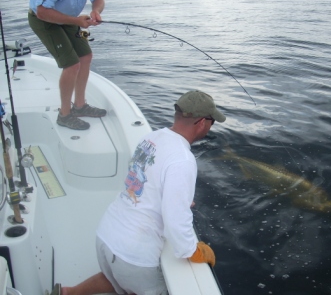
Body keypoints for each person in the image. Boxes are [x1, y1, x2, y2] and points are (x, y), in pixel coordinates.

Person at [51, 90, 225, 295]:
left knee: (115, 278)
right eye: (212, 122)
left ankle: (68, 292)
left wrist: (178, 199)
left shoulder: (152, 138)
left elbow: (142, 182)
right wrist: (192, 251)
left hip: (106, 236)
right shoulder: (183, 159)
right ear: (203, 123)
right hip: (134, 256)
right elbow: (175, 219)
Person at [28, 0, 106, 130]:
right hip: (44, 19)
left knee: (85, 56)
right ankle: (64, 115)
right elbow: (42, 11)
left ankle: (79, 106)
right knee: (71, 64)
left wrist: (96, 11)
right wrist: (76, 20)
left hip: (69, 18)